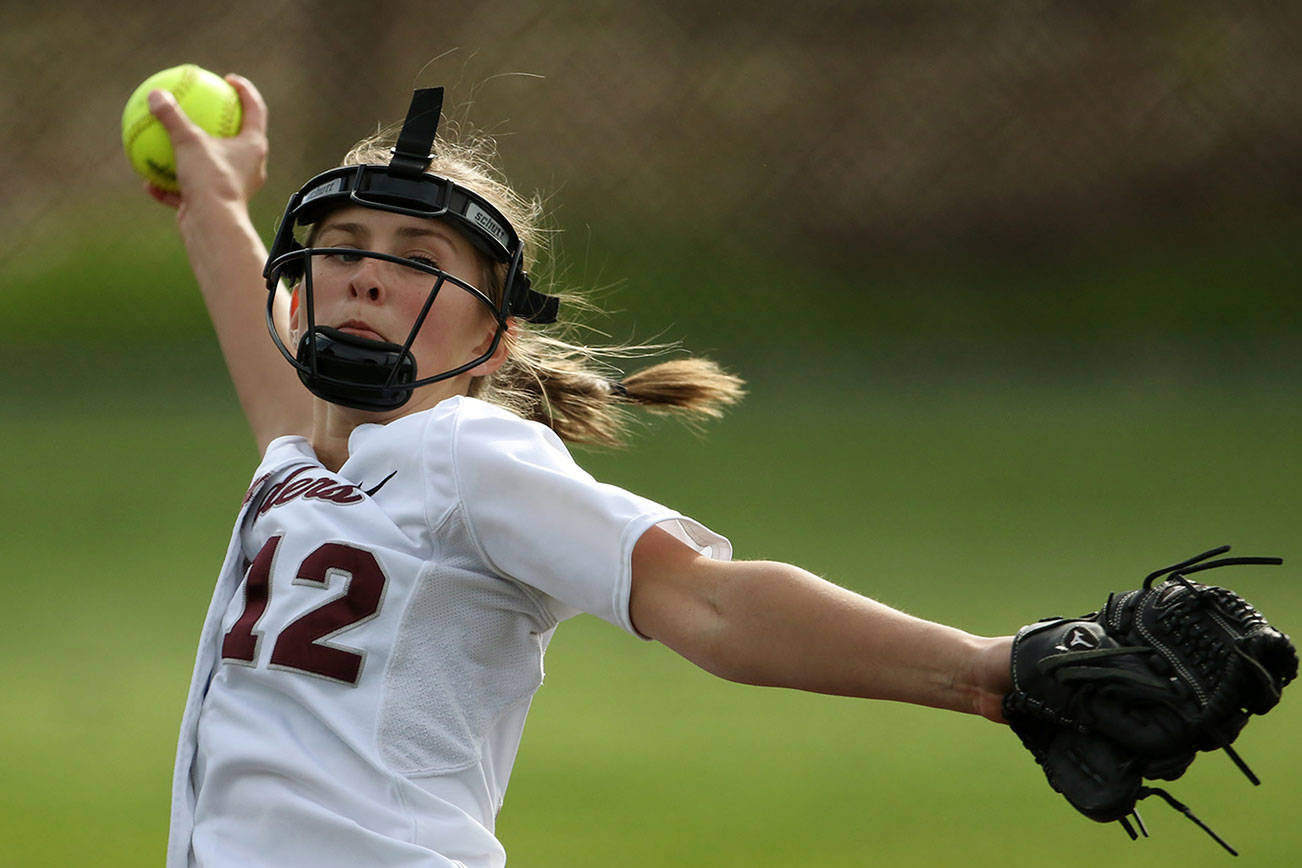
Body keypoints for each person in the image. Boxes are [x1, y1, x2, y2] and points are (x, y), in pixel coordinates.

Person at [145, 74, 1013, 868]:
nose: (368, 277)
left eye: (418, 260)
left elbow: (709, 601)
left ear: (492, 336)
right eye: (343, 247)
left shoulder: (464, 454)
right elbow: (278, 376)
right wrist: (210, 200)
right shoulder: (305, 465)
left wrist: (986, 671)